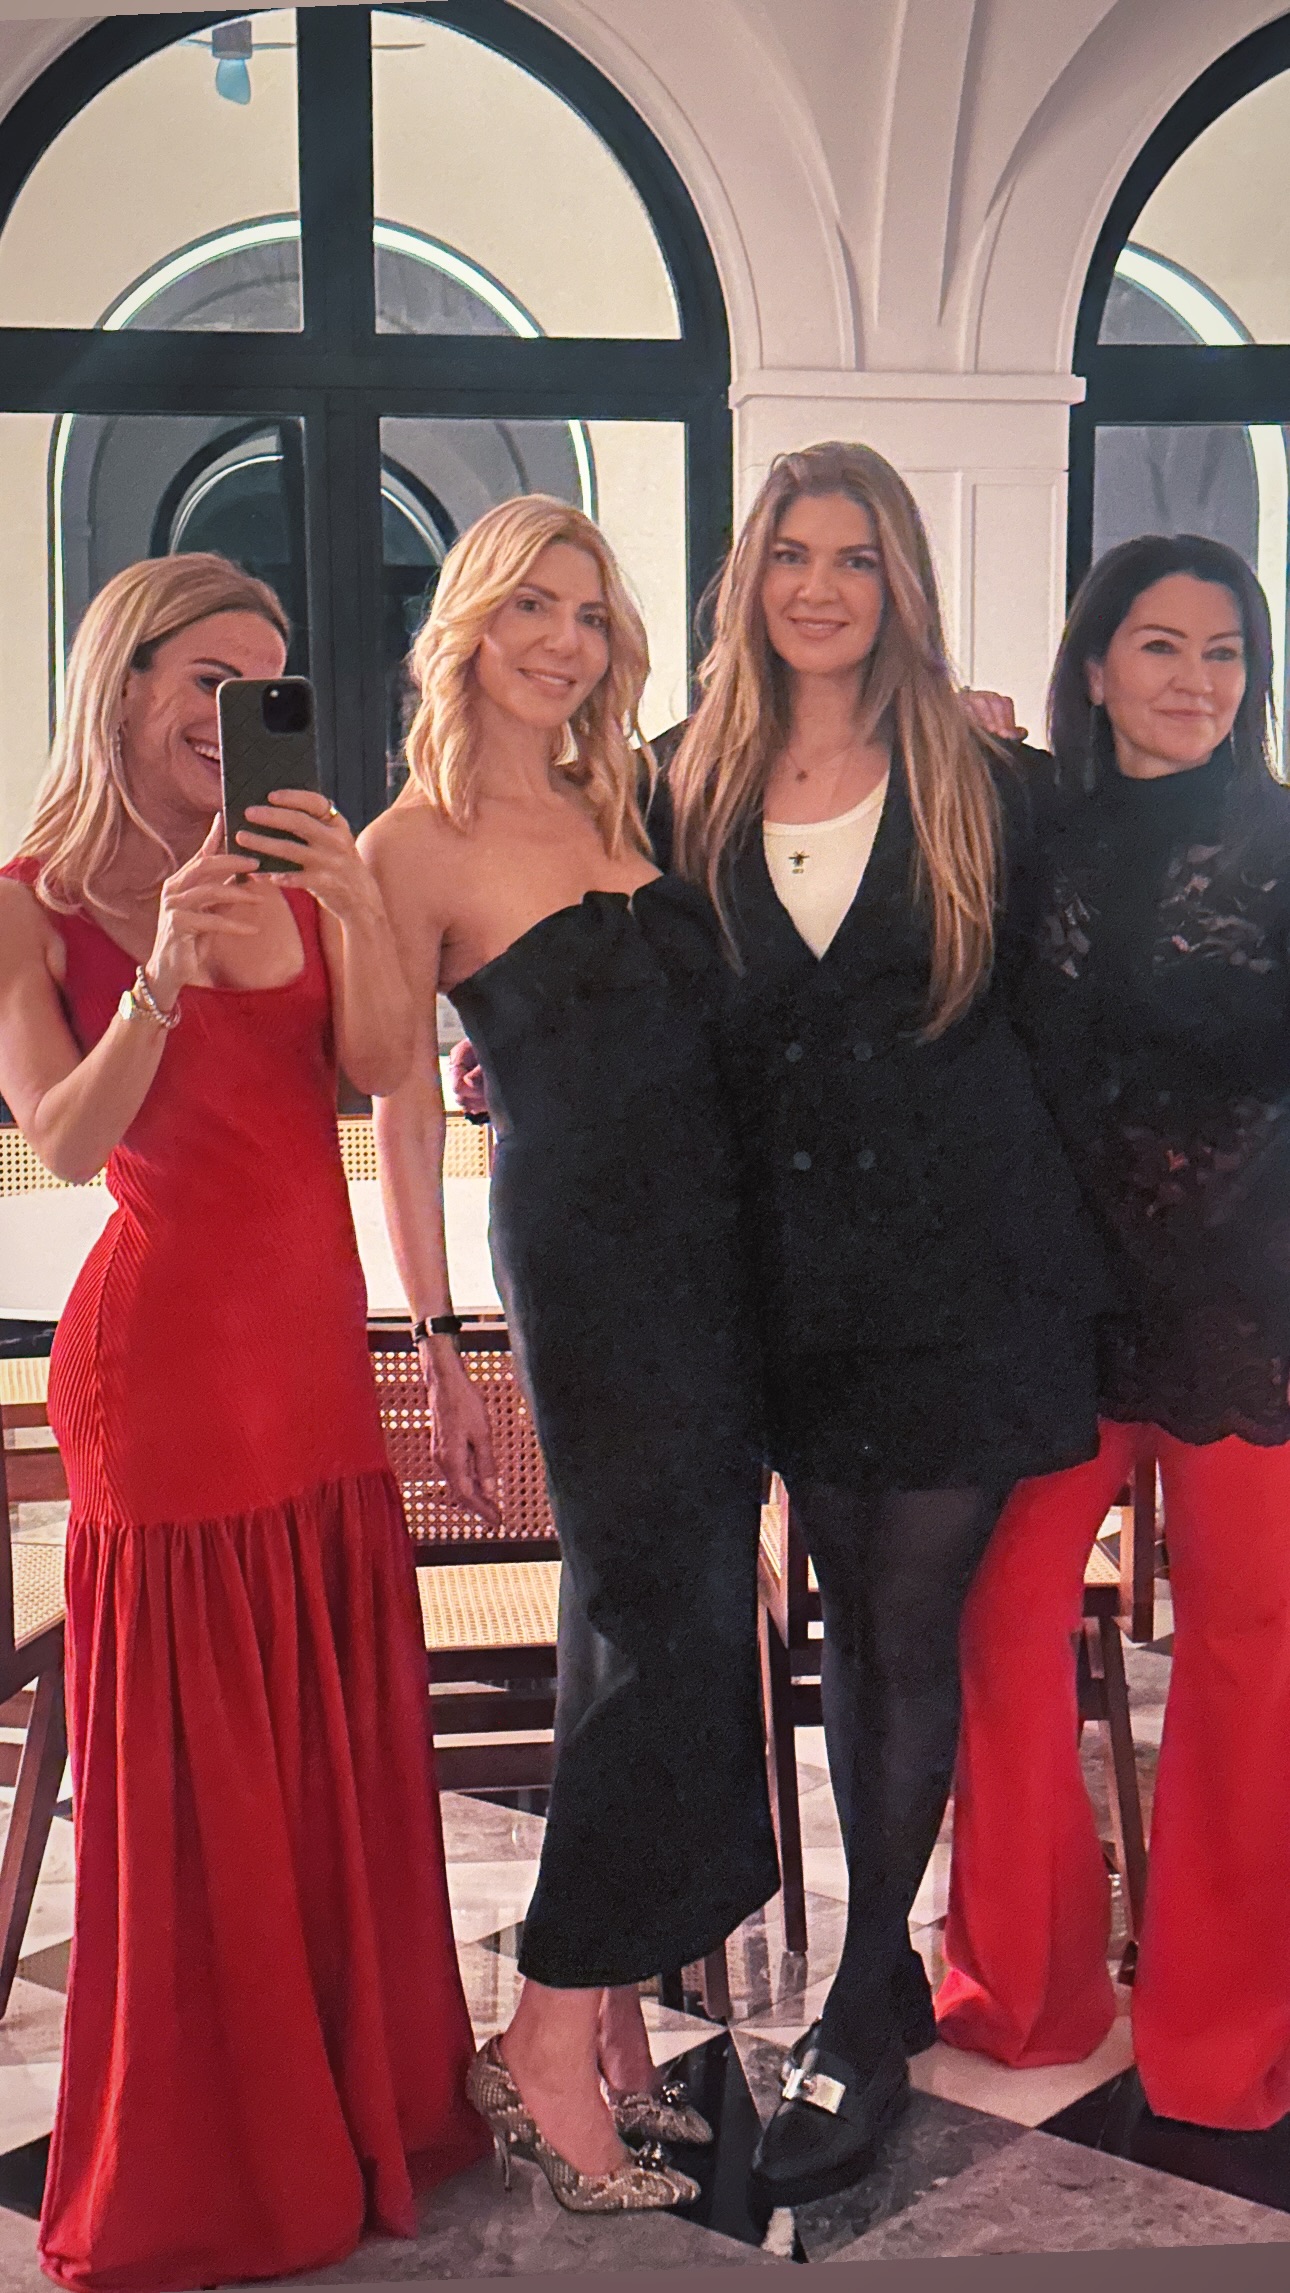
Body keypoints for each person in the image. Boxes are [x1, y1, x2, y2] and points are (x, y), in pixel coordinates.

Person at [0, 554, 487, 2293]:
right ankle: (221, 2154)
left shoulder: (299, 862)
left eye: (266, 685)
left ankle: (365, 2109)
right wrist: (155, 977)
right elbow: (64, 1140)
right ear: (125, 682)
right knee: (196, 1766)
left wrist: (352, 908)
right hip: (165, 1371)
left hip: (310, 1356)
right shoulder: (31, 897)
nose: (236, 715)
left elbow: (382, 1070)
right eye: (208, 679)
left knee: (328, 1736)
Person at [658, 441, 1109, 2206]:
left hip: (964, 1272)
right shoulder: (678, 782)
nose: (821, 586)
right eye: (792, 553)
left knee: (897, 1622)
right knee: (847, 1613)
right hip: (773, 1283)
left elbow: (1091, 1012)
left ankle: (861, 1991)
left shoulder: (996, 782)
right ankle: (877, 1967)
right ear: (749, 578)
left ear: (900, 582)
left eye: (855, 556)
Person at [359, 495, 779, 2216]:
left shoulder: (632, 804)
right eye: (532, 604)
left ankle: (609, 2015)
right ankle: (543, 2026)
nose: (563, 639)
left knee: (651, 1627)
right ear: (469, 620)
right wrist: (440, 1342)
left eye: (591, 614)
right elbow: (403, 1113)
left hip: (716, 1260)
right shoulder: (410, 842)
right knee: (663, 1626)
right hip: (587, 1265)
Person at [937, 534, 1290, 2134]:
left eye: (1224, 651)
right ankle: (1022, 1995)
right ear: (1092, 664)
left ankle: (1220, 2032)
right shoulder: (1023, 827)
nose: (1193, 680)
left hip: (1246, 1314)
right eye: (1159, 645)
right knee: (1000, 1624)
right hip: (1054, 1309)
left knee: (1243, 1657)